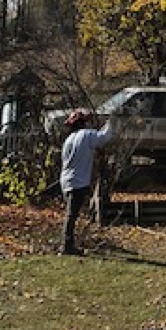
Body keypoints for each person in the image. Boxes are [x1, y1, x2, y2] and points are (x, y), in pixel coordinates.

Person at [59, 108, 112, 256]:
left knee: (72, 214)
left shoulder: (69, 140)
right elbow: (104, 137)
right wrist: (111, 121)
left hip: (66, 181)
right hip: (78, 181)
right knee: (71, 215)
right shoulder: (86, 135)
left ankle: (69, 244)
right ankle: (67, 246)